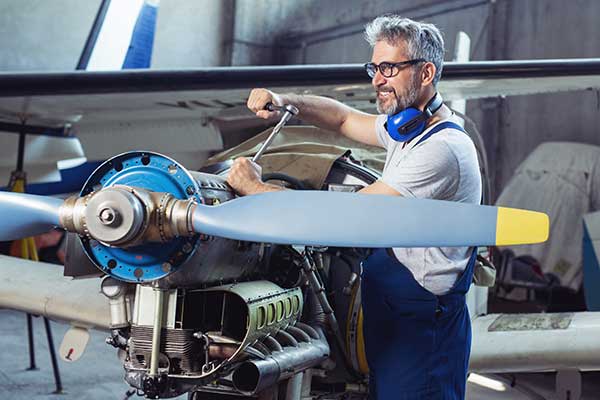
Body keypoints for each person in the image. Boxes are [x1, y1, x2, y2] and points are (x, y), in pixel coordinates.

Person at [227, 15, 481, 400]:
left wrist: (255, 189)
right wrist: (287, 104)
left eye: (389, 68)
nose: (377, 79)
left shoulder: (441, 150)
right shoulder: (409, 129)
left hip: (424, 326)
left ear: (426, 72)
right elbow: (343, 117)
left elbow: (342, 219)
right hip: (396, 313)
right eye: (374, 67)